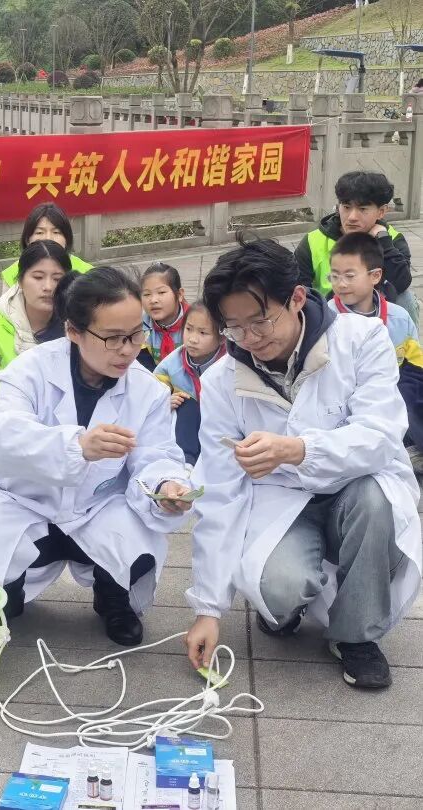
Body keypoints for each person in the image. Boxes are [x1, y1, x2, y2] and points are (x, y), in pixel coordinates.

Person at [185, 235, 421, 689]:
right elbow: (219, 491)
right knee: (279, 589)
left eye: (260, 321)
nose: (250, 339)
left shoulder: (361, 339)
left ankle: (355, 636)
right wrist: (208, 609)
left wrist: (299, 449)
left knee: (375, 504)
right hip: (282, 500)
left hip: (357, 486)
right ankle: (286, 605)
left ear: (296, 298)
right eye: (234, 328)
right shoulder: (221, 382)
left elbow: (380, 436)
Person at [0, 267, 193, 647]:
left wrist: (165, 485)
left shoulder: (147, 390)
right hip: (25, 501)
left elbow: (155, 455)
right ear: (74, 331)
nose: (128, 349)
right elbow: (0, 433)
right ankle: (6, 595)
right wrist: (77, 446)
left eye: (135, 334)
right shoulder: (30, 370)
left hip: (98, 505)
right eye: (113, 338)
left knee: (136, 540)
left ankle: (113, 600)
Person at [327, 232, 423, 473]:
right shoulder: (327, 319)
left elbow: (415, 363)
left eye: (349, 276)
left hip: (394, 387)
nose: (341, 284)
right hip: (346, 394)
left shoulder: (398, 317)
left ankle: (410, 446)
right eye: (334, 276)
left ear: (375, 276)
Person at [0, 240, 72, 446]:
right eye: (38, 277)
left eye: (57, 278)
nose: (48, 287)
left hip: (58, 426)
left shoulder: (75, 325)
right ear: (20, 280)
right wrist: (37, 428)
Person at [294, 171, 416, 324]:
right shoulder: (313, 241)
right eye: (346, 207)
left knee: (406, 298)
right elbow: (298, 290)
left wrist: (384, 243)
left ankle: (406, 339)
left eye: (362, 209)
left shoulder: (392, 238)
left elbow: (401, 283)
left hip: (378, 313)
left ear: (382, 211)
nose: (352, 217)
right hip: (329, 316)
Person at [153, 302, 225, 467]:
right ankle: (187, 462)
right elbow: (152, 393)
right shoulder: (172, 363)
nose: (192, 339)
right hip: (189, 424)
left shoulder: (228, 363)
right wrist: (165, 401)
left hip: (218, 420)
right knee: (185, 402)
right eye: (189, 329)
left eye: (203, 332)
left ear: (222, 338)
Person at [1, 203, 92, 289]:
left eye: (56, 232)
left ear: (67, 238)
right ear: (27, 240)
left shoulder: (88, 274)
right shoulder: (11, 274)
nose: (48, 238)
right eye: (39, 232)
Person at [138, 262, 188, 372]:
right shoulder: (139, 328)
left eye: (161, 292)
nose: (153, 300)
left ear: (179, 295)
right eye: (147, 294)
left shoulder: (194, 323)